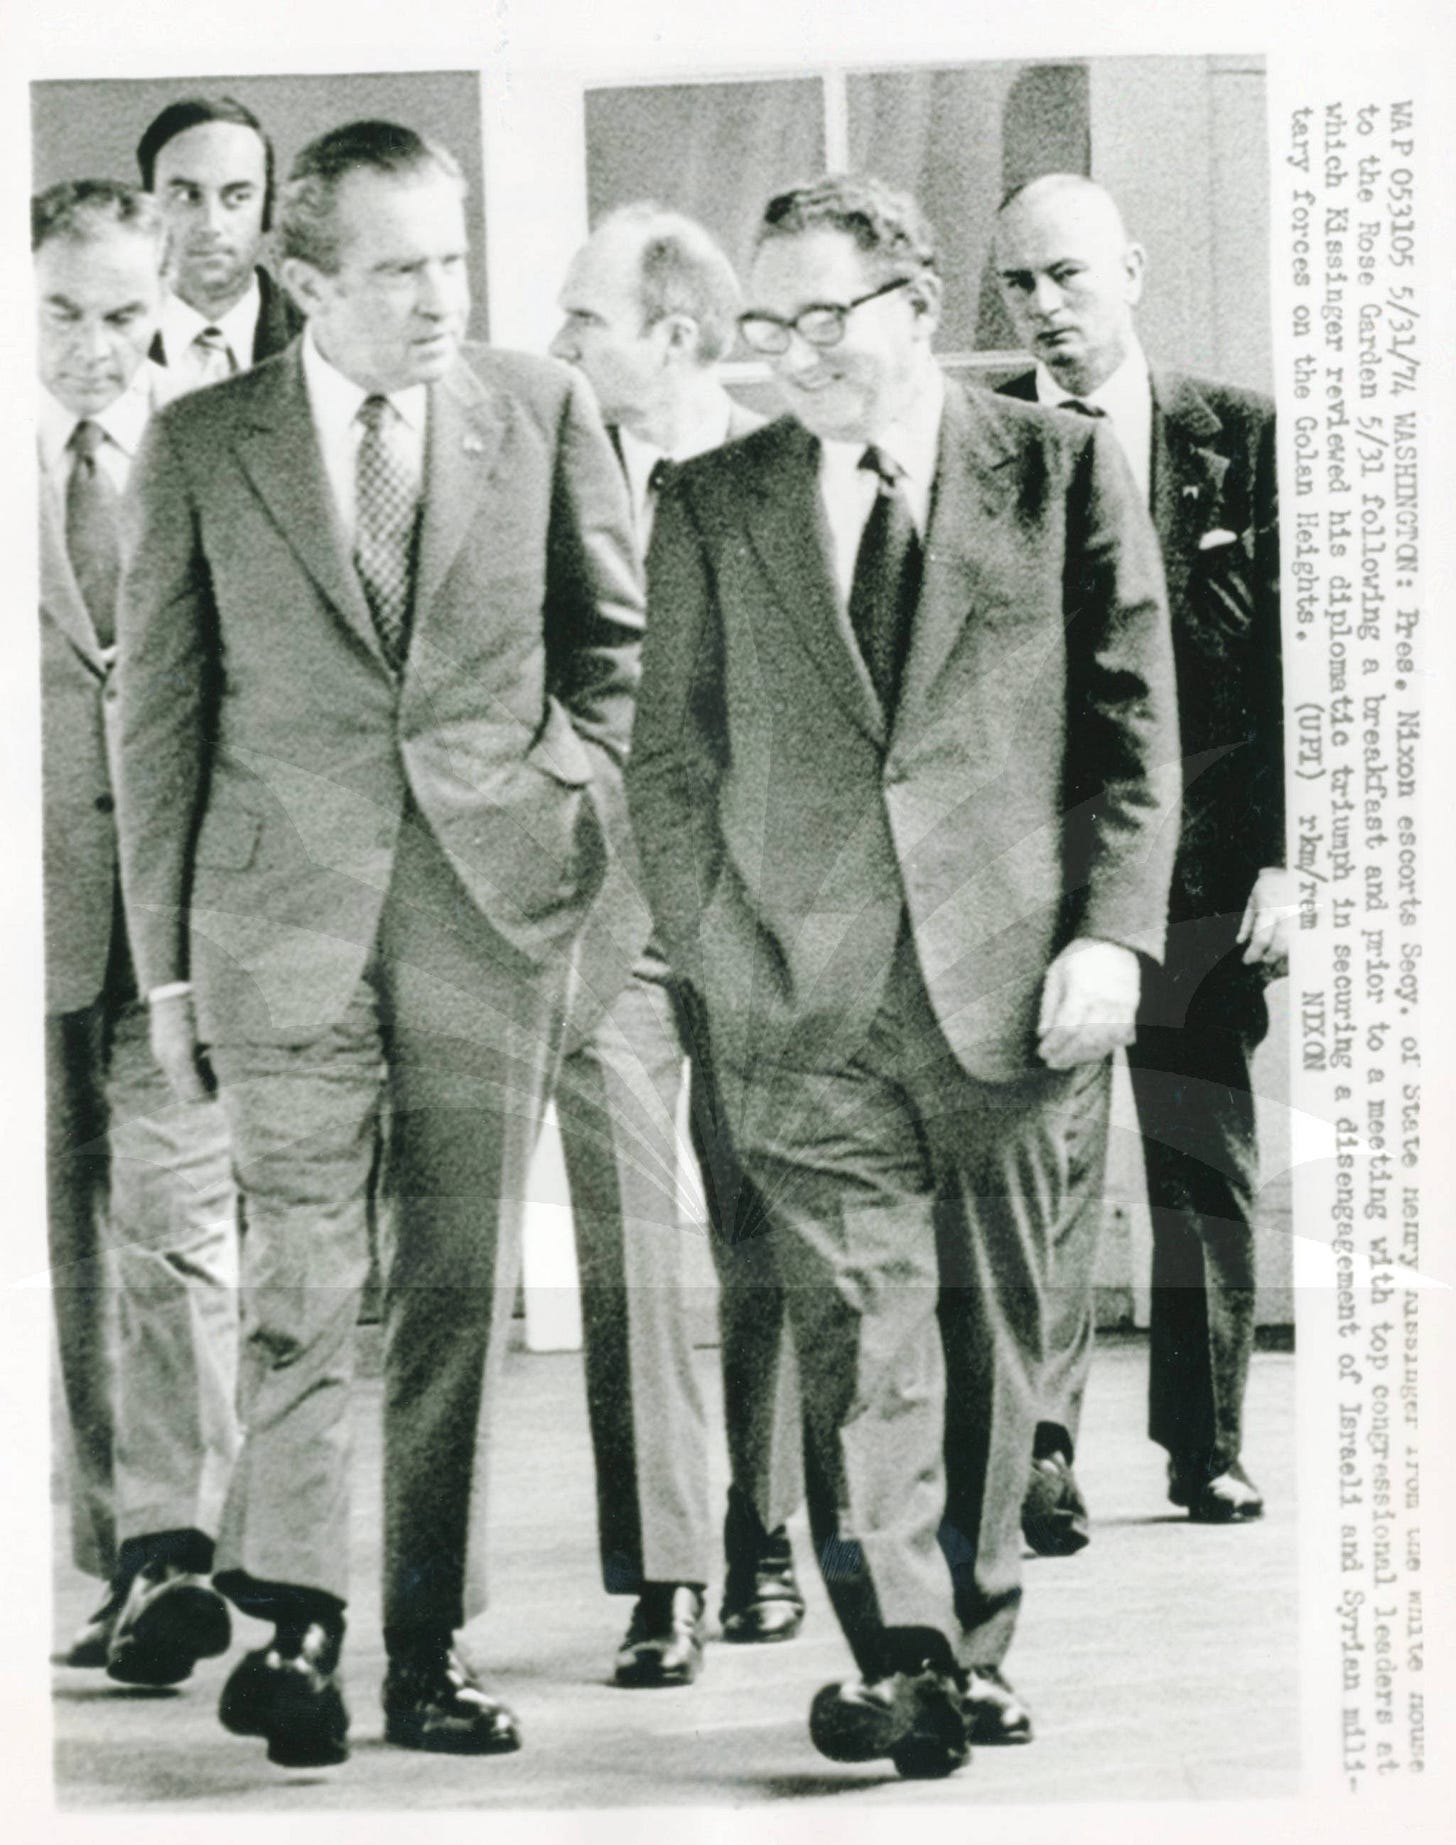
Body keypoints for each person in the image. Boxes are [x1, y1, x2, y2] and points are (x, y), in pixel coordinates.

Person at [626, 174, 1178, 1778]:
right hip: (802, 1001)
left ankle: (978, 1628)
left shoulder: (1065, 472)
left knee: (995, 1333)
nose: (793, 355)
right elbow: (670, 766)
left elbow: (1136, 731)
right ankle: (909, 1656)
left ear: (919, 311)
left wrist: (1112, 935)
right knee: (861, 1327)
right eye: (767, 326)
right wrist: (729, 963)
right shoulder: (712, 501)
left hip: (1018, 993)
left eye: (824, 320)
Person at [115, 119, 641, 1769]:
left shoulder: (540, 410)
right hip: (276, 935)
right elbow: (162, 723)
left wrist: (567, 811)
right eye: (401, 268)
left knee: (451, 1296)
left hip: (491, 923)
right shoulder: (203, 444)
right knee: (301, 1284)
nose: (440, 298)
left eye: (452, 261)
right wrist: (170, 972)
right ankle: (300, 1623)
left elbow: (618, 652)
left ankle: (427, 1644)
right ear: (302, 275)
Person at [995, 173, 1286, 1547]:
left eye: (1069, 275)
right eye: (1020, 286)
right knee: (1034, 1174)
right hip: (1030, 883)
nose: (1048, 308)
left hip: (1208, 872)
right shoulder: (980, 444)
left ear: (1134, 265)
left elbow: (1304, 674)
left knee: (1197, 1171)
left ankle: (1205, 1446)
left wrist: (1291, 864)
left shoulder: (1245, 441)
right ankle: (1039, 1452)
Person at [548, 204, 803, 1687]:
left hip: (764, 914)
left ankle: (764, 1534)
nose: (561, 342)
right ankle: (669, 1575)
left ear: (677, 337)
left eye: (585, 318)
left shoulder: (786, 473)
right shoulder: (536, 473)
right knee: (628, 1248)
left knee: (765, 1224)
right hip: (607, 926)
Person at [36, 179, 239, 1685]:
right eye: (62, 313)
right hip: (26, 908)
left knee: (176, 1243)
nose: (96, 347)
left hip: (180, 922)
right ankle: (105, 1559)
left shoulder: (217, 450)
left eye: (124, 314)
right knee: (58, 1259)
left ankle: (179, 1553)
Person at [136, 95, 302, 389]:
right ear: (146, 206)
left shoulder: (322, 340)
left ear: (269, 207)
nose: (211, 225)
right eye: (187, 196)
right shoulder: (105, 342)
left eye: (237, 197)